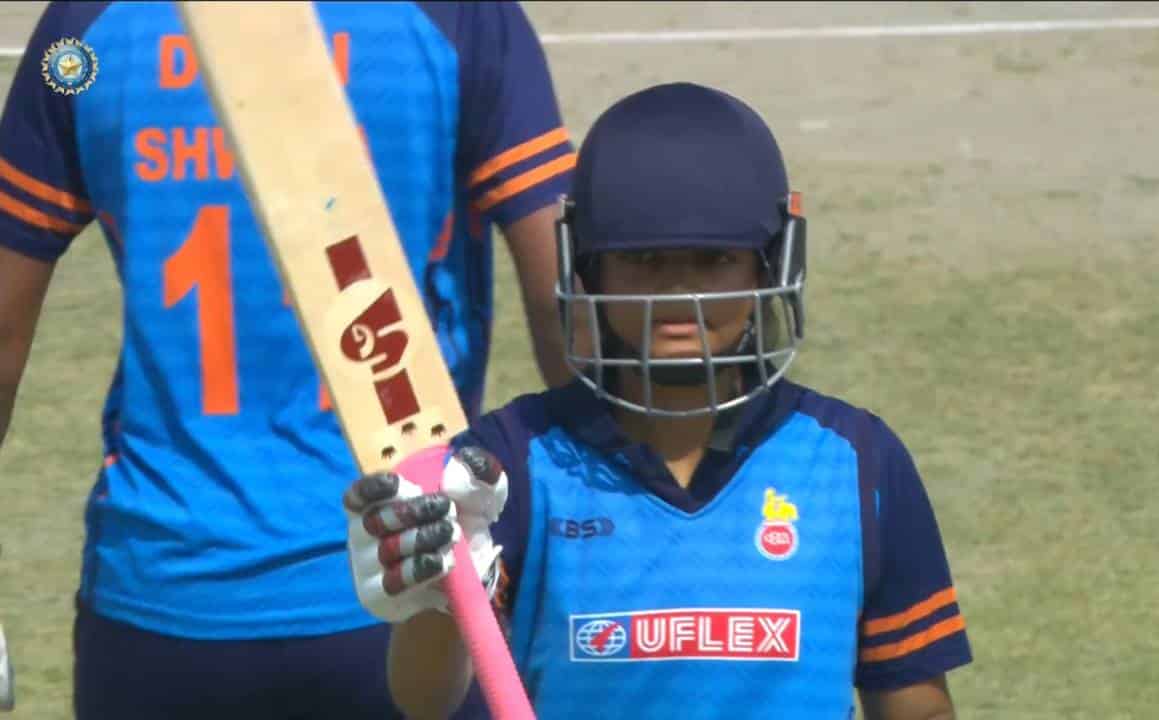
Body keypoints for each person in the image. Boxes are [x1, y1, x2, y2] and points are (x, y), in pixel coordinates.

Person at [0, 2, 575, 718]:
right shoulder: (458, 16)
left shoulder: (89, 27)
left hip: (162, 593)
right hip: (411, 581)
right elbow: (566, 305)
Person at [345, 82, 974, 720]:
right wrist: (437, 597)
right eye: (642, 259)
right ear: (587, 268)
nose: (677, 291)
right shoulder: (507, 464)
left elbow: (917, 707)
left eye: (712, 259)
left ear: (769, 264)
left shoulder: (857, 462)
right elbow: (424, 699)